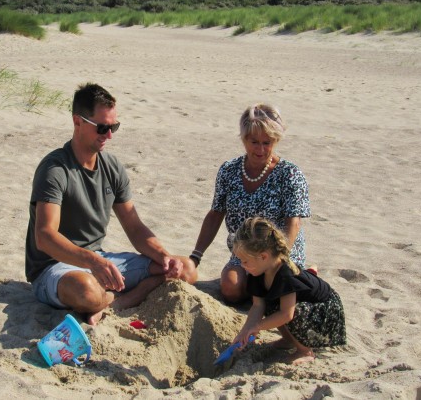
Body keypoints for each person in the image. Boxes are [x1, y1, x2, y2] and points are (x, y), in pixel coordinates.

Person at [26, 83, 197, 325]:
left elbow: (134, 227)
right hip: (55, 268)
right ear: (78, 121)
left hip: (100, 260)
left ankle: (118, 302)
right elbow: (45, 237)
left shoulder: (111, 166)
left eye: (114, 126)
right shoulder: (55, 169)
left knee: (186, 269)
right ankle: (118, 298)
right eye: (103, 127)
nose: (109, 135)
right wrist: (92, 262)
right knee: (86, 291)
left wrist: (164, 257)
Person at [189, 103, 310, 303]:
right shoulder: (229, 170)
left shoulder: (290, 174)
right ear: (244, 139)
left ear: (276, 140)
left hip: (279, 253)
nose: (261, 149)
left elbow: (293, 222)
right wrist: (196, 256)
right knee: (230, 288)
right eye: (254, 142)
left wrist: (278, 261)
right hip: (244, 252)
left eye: (267, 142)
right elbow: (216, 213)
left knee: (275, 293)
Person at [231, 217, 346, 364]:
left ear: (263, 256)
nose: (242, 265)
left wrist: (258, 326)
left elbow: (287, 314)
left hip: (326, 310)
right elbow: (258, 306)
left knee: (288, 311)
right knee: (272, 305)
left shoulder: (285, 273)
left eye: (245, 261)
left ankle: (305, 351)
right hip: (302, 309)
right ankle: (289, 340)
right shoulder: (257, 271)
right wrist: (244, 332)